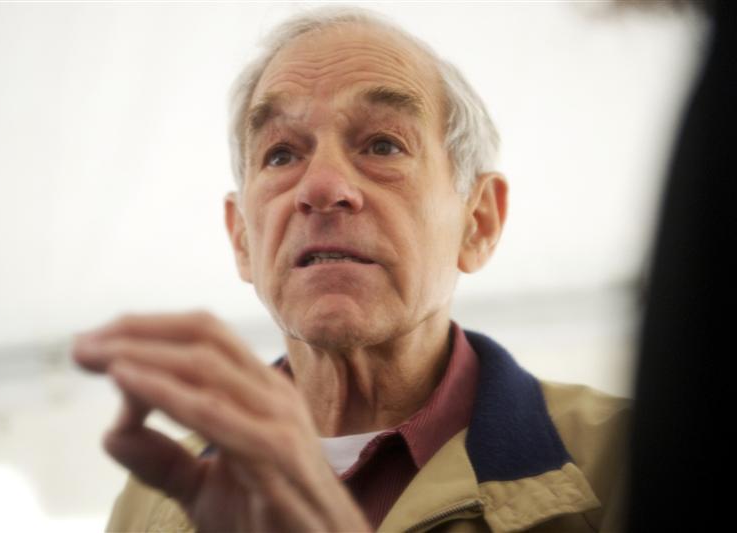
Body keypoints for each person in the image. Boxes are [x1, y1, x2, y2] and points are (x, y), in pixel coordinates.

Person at [73, 7, 630, 532]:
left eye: (382, 145)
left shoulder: (627, 459)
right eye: (281, 154)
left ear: (478, 221)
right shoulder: (152, 502)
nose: (321, 187)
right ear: (242, 237)